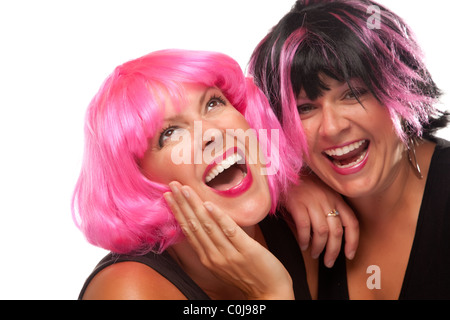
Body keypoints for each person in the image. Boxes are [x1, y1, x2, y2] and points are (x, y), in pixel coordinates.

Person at [73, 49, 316, 299]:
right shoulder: (126, 291)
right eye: (170, 133)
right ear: (140, 181)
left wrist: (307, 182)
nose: (212, 133)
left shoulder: (303, 229)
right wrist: (271, 293)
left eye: (213, 103)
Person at [249, 0, 450, 299]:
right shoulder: (289, 220)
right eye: (305, 108)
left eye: (353, 94)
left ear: (402, 89)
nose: (331, 128)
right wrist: (283, 182)